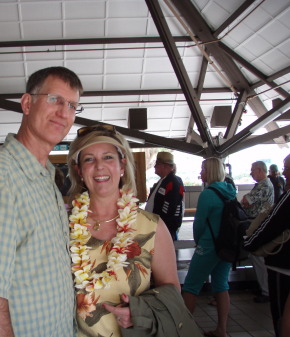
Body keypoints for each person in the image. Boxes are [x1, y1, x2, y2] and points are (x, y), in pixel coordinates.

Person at [0, 66, 84, 337]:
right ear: (27, 104)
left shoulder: (45, 177)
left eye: (72, 105)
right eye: (55, 99)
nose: (64, 112)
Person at [67, 124, 180, 337]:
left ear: (122, 165)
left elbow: (172, 290)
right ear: (79, 171)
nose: (99, 166)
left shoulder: (151, 226)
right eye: (89, 159)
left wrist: (139, 311)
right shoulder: (63, 226)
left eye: (108, 157)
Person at [182, 157, 236, 337]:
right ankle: (222, 329)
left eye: (203, 169)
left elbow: (199, 225)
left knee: (190, 286)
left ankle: (186, 331)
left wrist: (198, 242)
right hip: (225, 246)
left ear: (210, 171)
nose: (200, 172)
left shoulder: (207, 194)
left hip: (208, 246)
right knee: (221, 285)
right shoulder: (230, 191)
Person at [244, 154, 290, 337]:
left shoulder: (287, 197)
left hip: (283, 266)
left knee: (282, 315)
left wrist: (248, 243)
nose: (284, 172)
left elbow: (272, 224)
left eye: (287, 168)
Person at [241, 161, 274, 303]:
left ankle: (266, 290)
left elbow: (246, 201)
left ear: (260, 170)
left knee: (257, 256)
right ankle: (263, 287)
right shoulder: (264, 185)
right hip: (258, 222)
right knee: (256, 256)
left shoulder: (264, 185)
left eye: (252, 171)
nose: (251, 173)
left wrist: (246, 201)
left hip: (258, 223)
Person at [145, 151, 185, 240]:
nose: (155, 166)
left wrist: (161, 226)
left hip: (165, 229)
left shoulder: (173, 182)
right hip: (158, 227)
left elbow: (170, 209)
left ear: (166, 166)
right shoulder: (162, 181)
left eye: (157, 164)